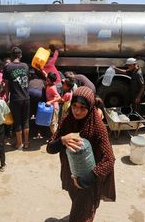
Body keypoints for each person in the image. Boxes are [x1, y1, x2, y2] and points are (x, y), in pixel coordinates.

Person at [46, 86, 116, 222]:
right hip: (72, 174)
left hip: (90, 180)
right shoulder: (67, 120)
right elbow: (50, 148)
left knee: (80, 215)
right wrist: (62, 140)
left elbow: (109, 159)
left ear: (90, 108)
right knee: (79, 206)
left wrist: (85, 180)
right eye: (74, 106)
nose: (77, 111)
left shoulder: (98, 127)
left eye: (82, 108)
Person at [4, 47, 30, 149]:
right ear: (20, 56)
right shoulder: (25, 66)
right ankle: (27, 143)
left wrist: (7, 97)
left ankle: (19, 143)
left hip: (15, 98)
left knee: (17, 121)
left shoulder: (8, 67)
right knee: (26, 121)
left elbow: (6, 84)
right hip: (26, 97)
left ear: (12, 56)